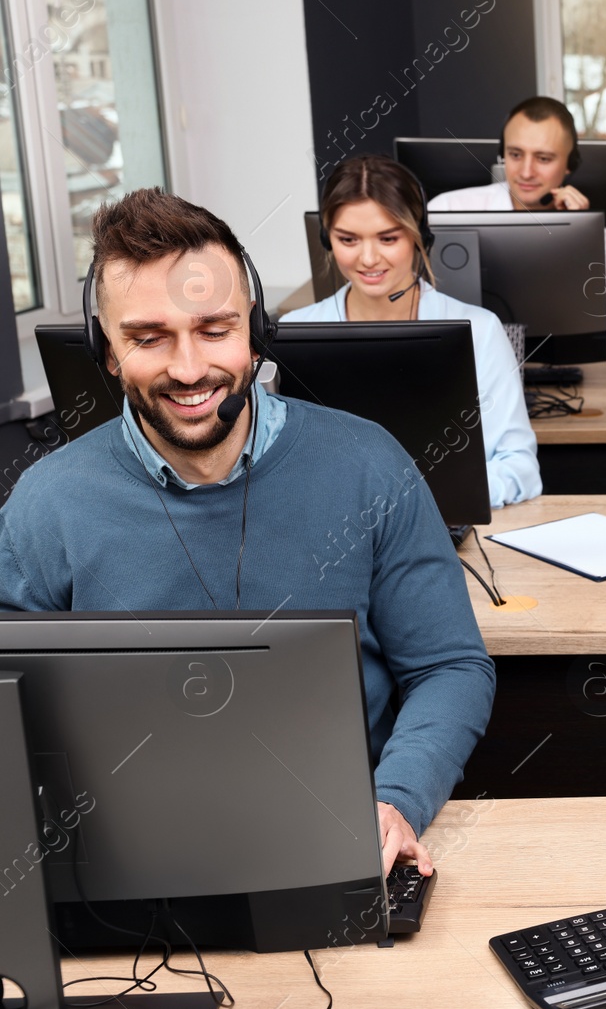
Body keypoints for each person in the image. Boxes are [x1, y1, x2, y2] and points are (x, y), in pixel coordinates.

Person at [0, 187, 495, 875]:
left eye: (214, 328)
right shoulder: (45, 504)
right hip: (128, 855)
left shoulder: (367, 463)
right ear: (106, 351)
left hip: (339, 836)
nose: (189, 367)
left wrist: (396, 799)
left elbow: (448, 666)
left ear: (254, 330)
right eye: (148, 337)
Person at [283, 153, 541, 507]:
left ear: (419, 235)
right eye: (348, 240)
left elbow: (520, 468)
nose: (368, 258)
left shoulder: (479, 330)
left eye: (388, 239)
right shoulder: (295, 331)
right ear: (327, 240)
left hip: (441, 525)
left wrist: (426, 503)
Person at [428, 95, 606, 352]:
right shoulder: (445, 210)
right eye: (515, 154)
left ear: (570, 165)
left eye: (543, 158)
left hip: (556, 371)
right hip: (462, 365)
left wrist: (579, 242)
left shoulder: (604, 242)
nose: (526, 172)